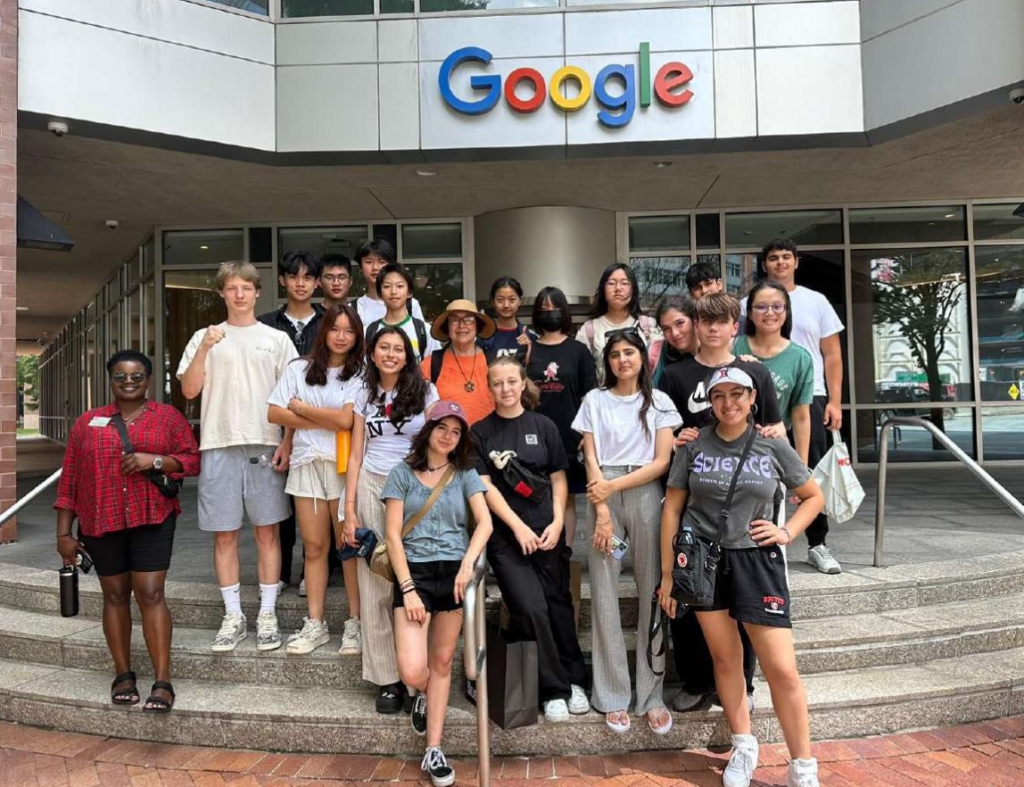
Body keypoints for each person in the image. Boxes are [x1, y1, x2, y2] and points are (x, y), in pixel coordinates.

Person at [659, 366, 825, 787]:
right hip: (703, 561)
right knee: (726, 659)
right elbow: (673, 509)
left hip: (757, 560)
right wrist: (667, 575)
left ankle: (802, 766)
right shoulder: (693, 446)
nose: (728, 403)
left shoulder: (772, 444)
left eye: (738, 394)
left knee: (781, 668)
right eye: (719, 395)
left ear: (753, 398)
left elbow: (812, 495)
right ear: (709, 401)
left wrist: (786, 532)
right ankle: (744, 744)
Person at [657, 292, 783, 714]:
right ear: (694, 325)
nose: (711, 328)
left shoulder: (756, 374)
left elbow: (772, 431)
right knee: (691, 594)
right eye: (703, 321)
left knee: (742, 604)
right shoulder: (676, 375)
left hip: (746, 502)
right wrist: (678, 439)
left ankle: (741, 687)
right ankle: (696, 680)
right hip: (694, 496)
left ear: (734, 326)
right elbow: (663, 428)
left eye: (720, 321)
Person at [54, 350, 200, 712]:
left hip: (152, 516)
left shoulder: (167, 418)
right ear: (111, 380)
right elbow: (70, 478)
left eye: (136, 375)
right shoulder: (88, 422)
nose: (129, 381)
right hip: (101, 520)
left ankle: (162, 681)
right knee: (115, 595)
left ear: (148, 379)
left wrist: (156, 460)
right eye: (121, 376)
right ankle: (123, 674)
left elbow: (192, 459)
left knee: (150, 593)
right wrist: (64, 534)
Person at [178, 260, 297, 653]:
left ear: (258, 292)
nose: (240, 294)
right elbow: (190, 391)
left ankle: (267, 613)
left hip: (266, 442)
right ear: (222, 294)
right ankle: (233, 615)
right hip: (218, 442)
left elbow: (293, 397)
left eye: (247, 287)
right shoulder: (204, 337)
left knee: (268, 532)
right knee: (224, 534)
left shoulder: (276, 339)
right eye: (232, 288)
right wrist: (207, 348)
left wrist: (287, 441)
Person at [572, 330, 681, 735]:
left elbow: (661, 462)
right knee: (603, 592)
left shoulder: (659, 403)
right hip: (603, 500)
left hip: (644, 494)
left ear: (642, 357)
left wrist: (613, 487)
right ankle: (612, 695)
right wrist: (601, 511)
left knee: (655, 590)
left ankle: (651, 695)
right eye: (615, 354)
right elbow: (591, 458)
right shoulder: (594, 401)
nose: (622, 360)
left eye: (629, 352)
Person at [473, 357, 590, 723]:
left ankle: (576, 681)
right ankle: (554, 689)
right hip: (507, 538)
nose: (506, 389)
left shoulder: (544, 426)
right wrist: (517, 527)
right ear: (489, 387)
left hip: (546, 531)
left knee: (557, 605)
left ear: (523, 384)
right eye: (498, 383)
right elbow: (485, 486)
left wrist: (557, 523)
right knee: (530, 607)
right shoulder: (481, 432)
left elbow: (559, 479)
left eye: (512, 381)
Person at [383, 400, 492, 787]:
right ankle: (425, 695)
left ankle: (433, 747)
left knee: (442, 663)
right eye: (442, 427)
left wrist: (468, 564)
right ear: (427, 429)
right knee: (413, 670)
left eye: (456, 430)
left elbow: (485, 523)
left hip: (454, 574)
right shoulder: (401, 473)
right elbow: (393, 534)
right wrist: (408, 589)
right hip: (413, 573)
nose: (448, 436)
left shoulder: (464, 473)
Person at [344, 326, 439, 713]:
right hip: (371, 484)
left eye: (398, 348)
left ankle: (418, 677)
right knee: (375, 584)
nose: (390, 354)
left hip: (413, 489)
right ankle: (387, 679)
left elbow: (440, 442)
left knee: (415, 581)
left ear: (408, 354)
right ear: (373, 352)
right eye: (383, 347)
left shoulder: (426, 391)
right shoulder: (361, 392)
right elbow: (354, 455)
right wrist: (348, 510)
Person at [268, 304, 366, 655]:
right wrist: (304, 416)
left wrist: (301, 409)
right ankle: (316, 623)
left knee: (349, 548)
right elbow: (274, 411)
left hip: (344, 469)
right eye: (335, 328)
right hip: (306, 465)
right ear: (324, 331)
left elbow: (345, 422)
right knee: (314, 547)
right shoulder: (299, 368)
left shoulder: (361, 374)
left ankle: (355, 623)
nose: (341, 336)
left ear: (357, 337)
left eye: (349, 330)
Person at [752, 239, 845, 575]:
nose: (780, 262)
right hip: (761, 402)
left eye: (786, 257)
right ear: (765, 264)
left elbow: (832, 353)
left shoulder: (815, 301)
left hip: (810, 397)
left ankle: (817, 544)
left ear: (796, 262)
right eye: (773, 258)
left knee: (810, 474)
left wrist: (835, 400)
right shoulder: (751, 301)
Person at [259, 250, 326, 592]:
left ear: (317, 282)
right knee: (279, 499)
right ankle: (282, 569)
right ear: (282, 280)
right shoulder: (266, 324)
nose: (300, 283)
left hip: (321, 426)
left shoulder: (330, 321)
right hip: (276, 423)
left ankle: (311, 572)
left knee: (317, 499)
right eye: (294, 276)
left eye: (308, 277)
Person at [525, 286, 598, 548]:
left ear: (564, 312)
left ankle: (563, 552)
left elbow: (591, 397)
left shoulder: (578, 350)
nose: (549, 313)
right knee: (535, 495)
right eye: (543, 310)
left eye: (554, 308)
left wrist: (587, 434)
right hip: (533, 436)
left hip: (568, 436)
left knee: (564, 497)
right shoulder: (529, 350)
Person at [734, 282, 814, 465]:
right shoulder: (733, 347)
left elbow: (801, 417)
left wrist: (801, 469)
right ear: (750, 313)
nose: (770, 313)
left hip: (773, 450)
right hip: (731, 450)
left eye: (777, 306)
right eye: (761, 307)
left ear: (786, 311)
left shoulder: (800, 358)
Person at [577, 263, 663, 385]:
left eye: (625, 283)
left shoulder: (648, 326)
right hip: (603, 401)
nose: (618, 288)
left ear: (633, 289)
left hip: (644, 399)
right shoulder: (588, 330)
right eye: (611, 283)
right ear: (603, 289)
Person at [422, 299, 496, 425]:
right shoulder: (431, 364)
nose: (462, 326)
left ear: (477, 326)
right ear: (447, 327)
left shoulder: (493, 362)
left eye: (469, 319)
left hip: (489, 441)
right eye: (454, 320)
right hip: (448, 441)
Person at [364, 262, 440, 363]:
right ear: (380, 294)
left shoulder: (424, 331)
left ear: (409, 292)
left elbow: (434, 368)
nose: (393, 291)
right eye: (387, 286)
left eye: (399, 286)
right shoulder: (368, 332)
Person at [354, 238, 426, 327]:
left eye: (382, 262)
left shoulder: (410, 304)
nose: (375, 267)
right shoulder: (355, 308)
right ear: (361, 267)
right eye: (369, 262)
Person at [478, 276, 535, 363]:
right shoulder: (483, 336)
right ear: (493, 301)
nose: (506, 305)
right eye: (500, 300)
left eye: (512, 299)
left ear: (520, 301)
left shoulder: (530, 336)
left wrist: (530, 348)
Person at [651, 296, 697, 388]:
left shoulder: (715, 348)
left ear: (695, 321)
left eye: (679, 323)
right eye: (666, 329)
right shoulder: (655, 353)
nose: (674, 333)